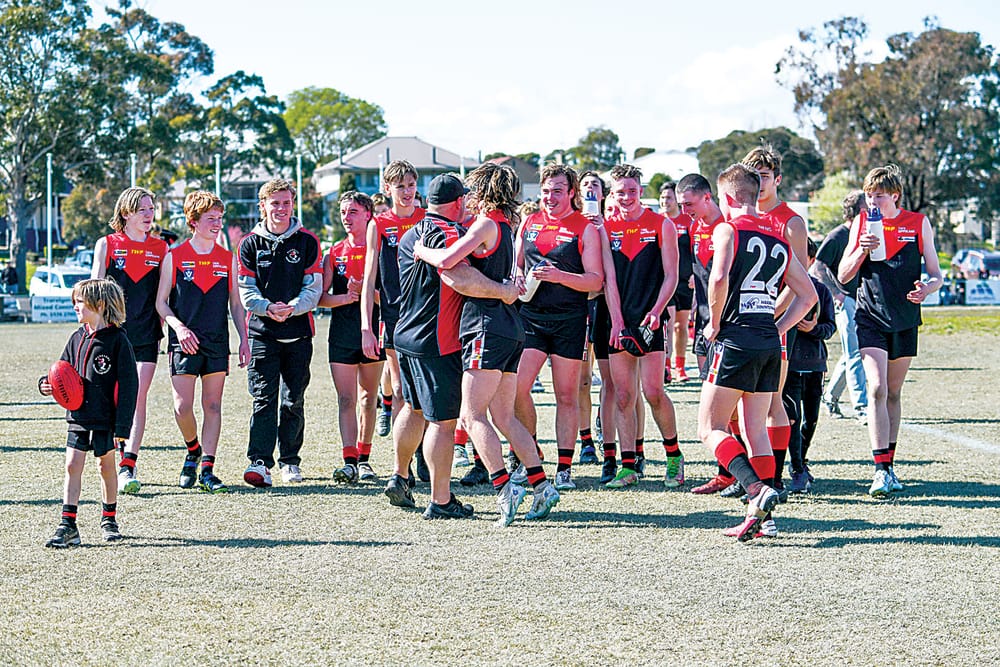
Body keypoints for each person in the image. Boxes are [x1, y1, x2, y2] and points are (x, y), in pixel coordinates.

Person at [413, 164, 559, 525]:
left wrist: (421, 249)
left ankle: (504, 486)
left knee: (471, 415)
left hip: (484, 327)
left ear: (482, 190)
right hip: (509, 327)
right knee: (505, 417)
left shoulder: (486, 223)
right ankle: (543, 486)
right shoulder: (507, 226)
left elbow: (446, 260)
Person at [383, 173, 518, 519]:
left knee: (413, 408)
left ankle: (400, 476)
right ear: (458, 203)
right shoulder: (451, 232)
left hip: (405, 333)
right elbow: (461, 277)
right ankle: (441, 500)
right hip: (437, 339)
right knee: (443, 423)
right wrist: (503, 290)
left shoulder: (411, 232)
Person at [698, 164, 816, 540]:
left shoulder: (727, 229)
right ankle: (765, 518)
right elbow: (808, 295)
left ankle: (755, 489)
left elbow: (718, 277)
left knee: (710, 428)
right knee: (756, 430)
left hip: (735, 338)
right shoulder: (778, 236)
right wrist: (778, 327)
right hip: (768, 340)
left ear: (729, 198)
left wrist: (714, 322)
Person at [838, 164, 942, 498]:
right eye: (868, 195)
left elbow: (936, 273)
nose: (872, 201)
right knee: (877, 388)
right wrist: (861, 249)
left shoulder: (918, 223)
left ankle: (890, 465)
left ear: (894, 195)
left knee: (894, 393)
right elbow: (843, 275)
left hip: (906, 317)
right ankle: (879, 471)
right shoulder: (861, 224)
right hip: (870, 317)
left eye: (879, 196)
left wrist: (926, 289)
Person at [513, 164, 603, 489]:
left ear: (572, 193)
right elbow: (516, 266)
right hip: (530, 319)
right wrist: (519, 276)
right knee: (517, 389)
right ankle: (531, 453)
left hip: (569, 320)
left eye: (558, 191)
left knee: (566, 395)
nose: (551, 197)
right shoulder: (529, 222)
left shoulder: (585, 227)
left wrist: (561, 276)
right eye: (546, 190)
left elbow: (595, 281)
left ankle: (564, 469)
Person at [155, 191, 250, 494]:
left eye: (220, 219)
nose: (217, 224)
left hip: (217, 342)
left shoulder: (227, 258)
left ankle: (207, 468)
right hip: (183, 342)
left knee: (212, 405)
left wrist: (244, 339)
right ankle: (193, 449)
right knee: (182, 407)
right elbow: (161, 304)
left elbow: (236, 305)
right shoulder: (175, 256)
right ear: (193, 222)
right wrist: (179, 328)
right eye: (211, 219)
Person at [600, 164, 683, 489]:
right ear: (612, 193)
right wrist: (617, 319)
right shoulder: (606, 229)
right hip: (618, 320)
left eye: (632, 190)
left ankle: (674, 456)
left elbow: (672, 275)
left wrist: (657, 310)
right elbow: (608, 281)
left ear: (641, 190)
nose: (627, 197)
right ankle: (629, 465)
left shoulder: (661, 224)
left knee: (653, 391)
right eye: (620, 192)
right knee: (623, 395)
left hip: (652, 320)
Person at [39, 278, 138, 547]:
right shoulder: (76, 338)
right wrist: (46, 384)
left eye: (80, 301)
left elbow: (130, 387)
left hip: (105, 419)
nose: (75, 306)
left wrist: (122, 427)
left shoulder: (118, 341)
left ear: (100, 304)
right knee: (72, 465)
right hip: (78, 417)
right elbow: (60, 371)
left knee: (105, 467)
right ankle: (68, 525)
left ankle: (109, 519)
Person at [238, 178, 323, 487]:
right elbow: (246, 290)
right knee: (263, 399)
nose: (281, 209)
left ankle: (290, 461)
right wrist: (266, 307)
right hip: (262, 334)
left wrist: (294, 307)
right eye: (275, 203)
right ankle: (259, 463)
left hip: (299, 334)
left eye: (286, 202)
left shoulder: (308, 241)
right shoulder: (249, 244)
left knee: (293, 400)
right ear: (263, 206)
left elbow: (314, 287)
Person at [741, 146, 810, 496]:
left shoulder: (791, 221)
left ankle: (779, 475)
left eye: (765, 176)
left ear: (777, 179)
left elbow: (801, 281)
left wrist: (771, 315)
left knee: (771, 399)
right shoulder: (740, 218)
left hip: (773, 322)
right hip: (742, 324)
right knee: (743, 402)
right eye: (753, 177)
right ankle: (750, 476)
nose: (760, 183)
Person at [91, 187, 168, 495]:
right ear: (125, 214)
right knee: (111, 397)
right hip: (111, 334)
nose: (149, 215)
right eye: (143, 210)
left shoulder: (162, 248)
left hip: (147, 334)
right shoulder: (106, 244)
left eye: (151, 209)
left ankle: (128, 465)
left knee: (137, 396)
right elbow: (94, 291)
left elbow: (164, 297)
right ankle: (111, 455)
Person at [360, 160, 427, 478]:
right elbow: (369, 279)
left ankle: (428, 454)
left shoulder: (427, 220)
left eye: (411, 185)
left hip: (427, 317)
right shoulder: (379, 224)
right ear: (387, 189)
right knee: (400, 390)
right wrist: (366, 327)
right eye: (400, 186)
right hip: (394, 318)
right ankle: (406, 464)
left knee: (427, 388)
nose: (407, 191)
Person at [676, 173, 738, 495]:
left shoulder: (728, 227)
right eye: (681, 204)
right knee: (716, 407)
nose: (684, 209)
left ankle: (741, 471)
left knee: (732, 407)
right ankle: (727, 471)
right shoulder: (693, 227)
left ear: (707, 198)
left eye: (689, 203)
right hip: (704, 327)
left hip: (729, 327)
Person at [320, 191, 386, 484]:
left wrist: (366, 293)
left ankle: (365, 457)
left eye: (354, 212)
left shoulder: (382, 252)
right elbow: (321, 298)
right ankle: (349, 460)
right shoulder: (334, 253)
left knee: (368, 398)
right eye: (344, 212)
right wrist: (347, 296)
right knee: (346, 399)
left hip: (374, 332)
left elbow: (390, 299)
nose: (347, 218)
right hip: (342, 335)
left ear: (368, 215)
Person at [782, 239, 836, 493]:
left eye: (805, 258)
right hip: (790, 366)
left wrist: (814, 329)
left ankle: (801, 461)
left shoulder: (821, 291)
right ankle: (796, 468)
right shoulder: (782, 289)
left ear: (812, 260)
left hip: (815, 365)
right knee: (794, 417)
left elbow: (829, 327)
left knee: (811, 419)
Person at [814, 190, 868, 421]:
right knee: (856, 353)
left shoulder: (866, 234)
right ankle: (862, 406)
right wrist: (836, 294)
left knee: (852, 354)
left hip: (863, 301)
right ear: (859, 211)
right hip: (846, 300)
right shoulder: (838, 235)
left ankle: (830, 397)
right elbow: (818, 266)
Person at [659, 182, 695, 382]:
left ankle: (680, 366)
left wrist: (694, 274)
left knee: (681, 326)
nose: (665, 201)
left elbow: (696, 250)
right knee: (669, 323)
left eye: (669, 198)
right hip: (665, 280)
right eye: (662, 198)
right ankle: (666, 366)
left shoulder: (686, 221)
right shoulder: (657, 222)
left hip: (685, 282)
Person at [370, 192, 394, 438]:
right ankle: (386, 407)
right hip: (381, 314)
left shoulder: (391, 240)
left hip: (401, 312)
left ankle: (388, 406)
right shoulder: (372, 242)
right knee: (388, 366)